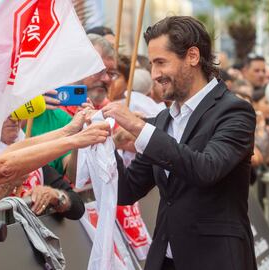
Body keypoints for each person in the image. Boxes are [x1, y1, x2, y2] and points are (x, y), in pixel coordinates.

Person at [102, 16, 257, 270]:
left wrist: (140, 128)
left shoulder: (235, 111)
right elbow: (127, 191)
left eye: (161, 63)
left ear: (193, 56)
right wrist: (106, 142)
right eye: (151, 64)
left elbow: (205, 169)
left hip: (217, 261)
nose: (154, 75)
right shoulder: (163, 120)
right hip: (165, 260)